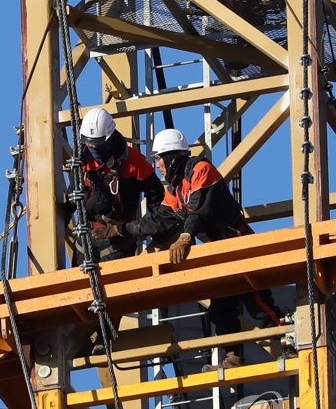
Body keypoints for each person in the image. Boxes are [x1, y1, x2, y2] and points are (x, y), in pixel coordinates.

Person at [97, 128, 283, 370]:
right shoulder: (177, 187)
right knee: (220, 310)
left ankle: (291, 341)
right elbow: (160, 218)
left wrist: (185, 237)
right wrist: (122, 230)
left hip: (239, 246)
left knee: (258, 305)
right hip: (221, 254)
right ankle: (233, 357)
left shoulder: (200, 170)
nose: (158, 165)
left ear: (172, 155)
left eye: (160, 158)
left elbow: (199, 210)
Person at [76, 107, 165, 263]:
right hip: (86, 238)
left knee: (113, 284)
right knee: (79, 285)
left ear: (109, 139)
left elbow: (156, 195)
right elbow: (74, 193)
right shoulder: (81, 160)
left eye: (97, 144)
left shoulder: (133, 161)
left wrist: (138, 228)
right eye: (89, 144)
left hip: (118, 242)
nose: (93, 148)